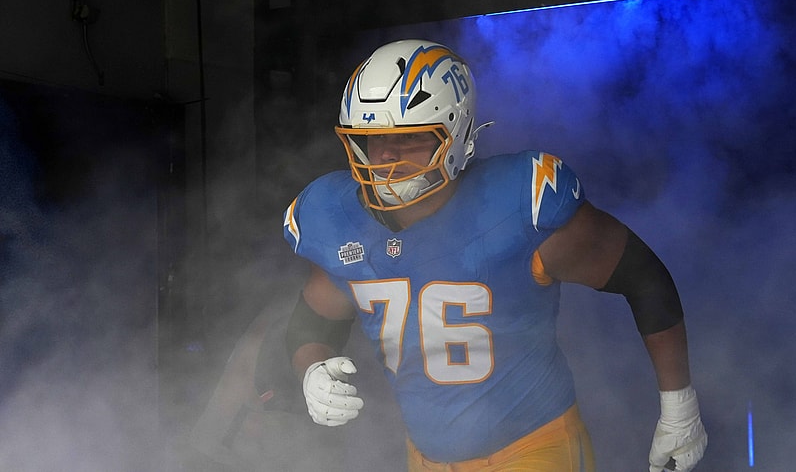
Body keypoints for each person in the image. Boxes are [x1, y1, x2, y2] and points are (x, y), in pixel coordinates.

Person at [282, 39, 707, 471]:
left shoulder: (516, 204)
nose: (386, 158)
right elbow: (315, 319)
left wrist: (679, 406)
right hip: (425, 459)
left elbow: (643, 277)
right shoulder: (337, 217)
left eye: (408, 138)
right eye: (373, 141)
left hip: (533, 451)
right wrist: (312, 369)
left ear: (457, 134)